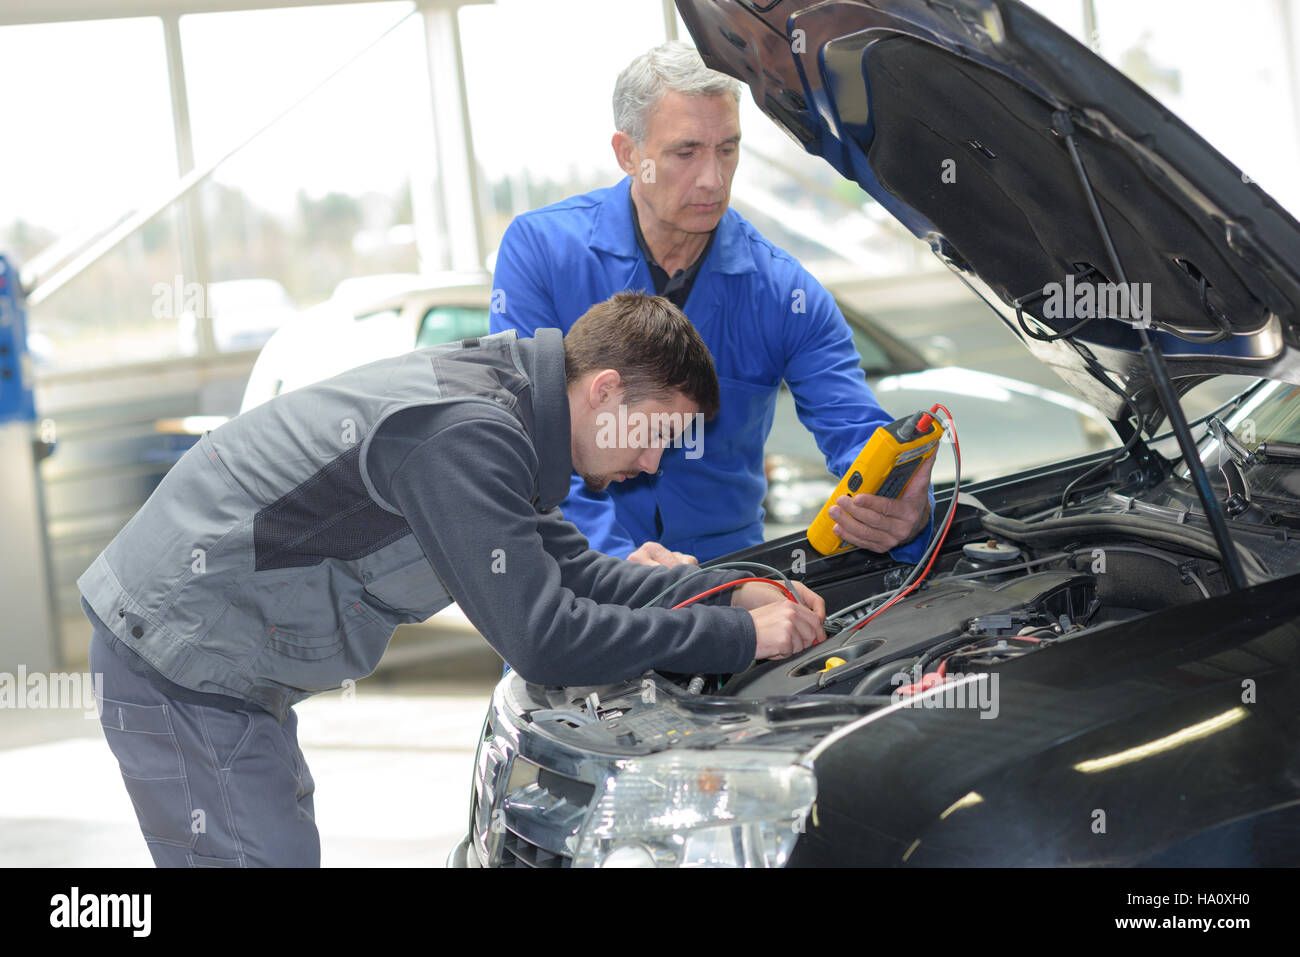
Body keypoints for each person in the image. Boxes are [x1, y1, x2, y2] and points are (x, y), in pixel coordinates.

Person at [78, 292, 825, 867]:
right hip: (178, 654)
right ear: (603, 391)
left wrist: (731, 591)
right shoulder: (468, 434)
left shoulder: (507, 421)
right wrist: (734, 636)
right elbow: (544, 637)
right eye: (655, 434)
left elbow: (581, 573)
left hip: (219, 656)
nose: (654, 463)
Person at [490, 41, 935, 568]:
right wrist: (613, 565)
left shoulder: (787, 296)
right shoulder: (542, 253)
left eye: (727, 149)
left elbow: (857, 433)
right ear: (628, 153)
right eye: (686, 152)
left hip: (729, 592)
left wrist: (905, 508)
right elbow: (522, 437)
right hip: (573, 579)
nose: (713, 178)